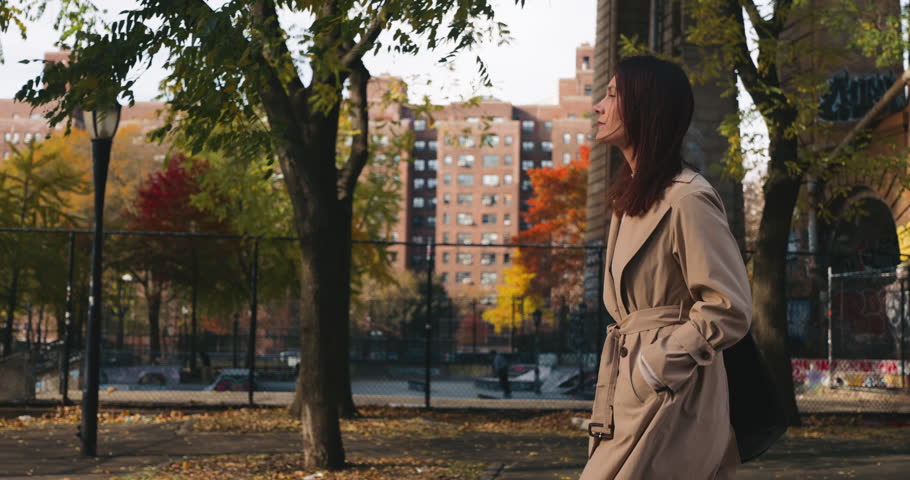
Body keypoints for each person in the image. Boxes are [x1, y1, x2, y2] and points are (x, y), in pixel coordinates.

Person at [580, 55, 751, 480]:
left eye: (612, 95)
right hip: (632, 391)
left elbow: (728, 306)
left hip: (672, 393)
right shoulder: (632, 200)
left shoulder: (688, 198)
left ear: (645, 108)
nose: (597, 107)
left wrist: (658, 365)